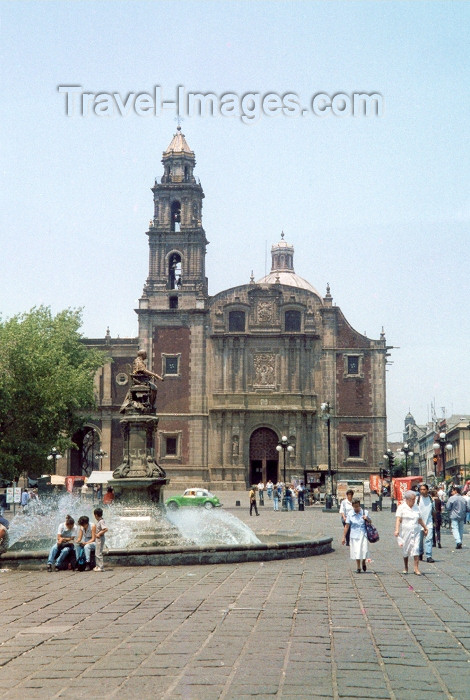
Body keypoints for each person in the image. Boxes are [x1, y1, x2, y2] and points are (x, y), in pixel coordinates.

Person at [395, 491, 428, 575]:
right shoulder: (401, 507)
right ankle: (406, 567)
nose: (414, 501)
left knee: (416, 548)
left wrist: (425, 527)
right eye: (413, 499)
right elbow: (398, 519)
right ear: (407, 499)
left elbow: (419, 519)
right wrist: (397, 530)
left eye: (415, 499)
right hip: (406, 531)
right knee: (406, 549)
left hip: (416, 531)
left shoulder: (417, 507)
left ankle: (416, 568)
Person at [342, 497, 370, 573]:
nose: (356, 508)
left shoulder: (365, 512)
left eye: (357, 506)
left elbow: (370, 522)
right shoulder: (350, 514)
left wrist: (366, 518)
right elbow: (347, 526)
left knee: (364, 550)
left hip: (363, 533)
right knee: (357, 551)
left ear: (359, 505)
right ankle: (358, 566)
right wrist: (343, 537)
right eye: (354, 506)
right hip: (354, 535)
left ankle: (363, 561)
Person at [417, 484, 435, 563]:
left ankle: (429, 556)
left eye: (424, 489)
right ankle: (420, 552)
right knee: (420, 540)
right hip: (419, 523)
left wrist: (435, 522)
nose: (422, 491)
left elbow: (433, 511)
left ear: (427, 490)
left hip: (429, 522)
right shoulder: (418, 499)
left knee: (429, 539)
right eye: (421, 489)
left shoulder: (431, 499)